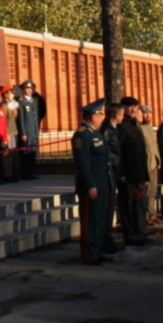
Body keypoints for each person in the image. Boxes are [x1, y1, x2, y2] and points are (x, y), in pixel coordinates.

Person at [72, 99, 114, 265]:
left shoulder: (96, 133)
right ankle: (89, 254)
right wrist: (91, 185)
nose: (102, 117)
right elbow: (83, 163)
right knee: (90, 222)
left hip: (103, 184)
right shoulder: (82, 135)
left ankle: (98, 250)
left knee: (100, 221)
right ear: (93, 117)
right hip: (92, 187)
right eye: (100, 114)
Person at [116, 97, 151, 245]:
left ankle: (139, 231)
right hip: (128, 175)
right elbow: (118, 151)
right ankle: (130, 235)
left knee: (140, 204)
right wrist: (121, 173)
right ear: (123, 108)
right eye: (129, 106)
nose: (133, 109)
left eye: (135, 106)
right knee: (128, 205)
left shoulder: (136, 124)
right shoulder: (121, 126)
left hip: (139, 174)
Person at [100, 102, 124, 253]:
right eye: (121, 114)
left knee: (110, 209)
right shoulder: (106, 130)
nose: (123, 117)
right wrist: (116, 169)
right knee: (107, 210)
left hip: (114, 173)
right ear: (116, 116)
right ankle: (105, 241)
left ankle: (108, 239)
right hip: (109, 174)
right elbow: (108, 154)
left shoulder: (113, 129)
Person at [140, 105, 163, 226]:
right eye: (145, 113)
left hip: (154, 164)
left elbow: (155, 146)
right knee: (146, 192)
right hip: (146, 165)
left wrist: (158, 160)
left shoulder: (149, 127)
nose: (148, 116)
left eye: (149, 113)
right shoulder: (140, 128)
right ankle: (145, 216)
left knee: (153, 191)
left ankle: (152, 214)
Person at [16, 79, 40, 179]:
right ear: (23, 90)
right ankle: (25, 173)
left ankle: (31, 172)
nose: (29, 90)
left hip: (33, 132)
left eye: (31, 88)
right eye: (27, 88)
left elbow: (35, 118)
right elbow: (21, 119)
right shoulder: (21, 101)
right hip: (27, 133)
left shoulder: (32, 101)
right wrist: (23, 133)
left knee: (32, 153)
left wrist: (36, 131)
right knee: (26, 153)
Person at [2, 85, 20, 181]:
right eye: (11, 93)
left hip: (13, 131)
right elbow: (3, 121)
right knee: (7, 156)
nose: (13, 95)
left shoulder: (12, 105)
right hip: (7, 132)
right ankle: (7, 175)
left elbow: (13, 119)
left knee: (13, 154)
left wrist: (16, 129)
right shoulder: (4, 106)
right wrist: (5, 134)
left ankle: (13, 174)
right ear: (6, 95)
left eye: (13, 93)